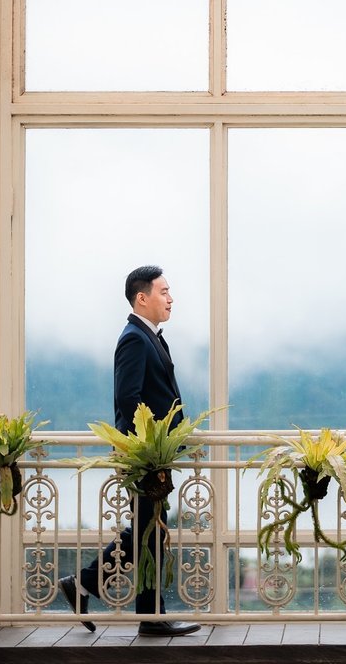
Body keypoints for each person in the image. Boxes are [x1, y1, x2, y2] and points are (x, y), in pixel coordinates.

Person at [57, 265, 200, 637]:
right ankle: (130, 605)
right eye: (164, 291)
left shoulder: (150, 336)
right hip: (144, 458)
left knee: (148, 532)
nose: (171, 298)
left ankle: (140, 610)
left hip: (154, 457)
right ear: (142, 297)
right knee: (147, 531)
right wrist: (145, 450)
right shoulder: (135, 339)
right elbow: (127, 399)